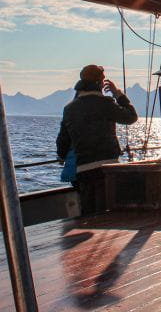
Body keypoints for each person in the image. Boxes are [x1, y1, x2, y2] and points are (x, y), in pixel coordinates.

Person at [56, 64, 138, 213]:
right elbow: (131, 117)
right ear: (100, 83)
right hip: (108, 168)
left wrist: (62, 156)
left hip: (84, 170)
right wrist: (118, 94)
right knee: (108, 213)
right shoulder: (106, 104)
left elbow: (62, 142)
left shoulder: (69, 109)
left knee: (89, 212)